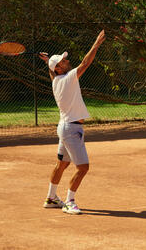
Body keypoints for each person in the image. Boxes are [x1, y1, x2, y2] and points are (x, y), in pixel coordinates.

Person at [38, 30, 105, 215]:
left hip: (65, 128)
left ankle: (51, 198)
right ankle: (69, 201)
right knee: (83, 167)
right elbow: (85, 63)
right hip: (71, 130)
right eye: (63, 61)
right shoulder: (67, 78)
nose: (67, 61)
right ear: (58, 68)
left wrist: (47, 63)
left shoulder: (56, 80)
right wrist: (96, 44)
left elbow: (52, 73)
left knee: (62, 164)